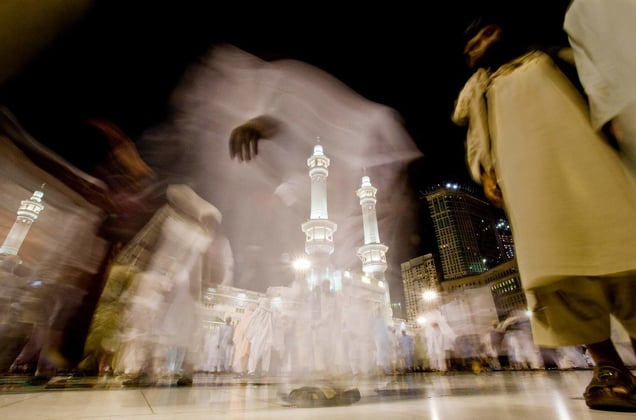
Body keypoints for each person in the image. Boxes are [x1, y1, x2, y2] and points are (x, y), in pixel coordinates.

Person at [452, 8, 636, 411]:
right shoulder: (481, 90)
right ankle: (609, 367)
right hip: (532, 187)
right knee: (558, 274)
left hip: (591, 164)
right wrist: (486, 171)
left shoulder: (551, 60)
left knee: (626, 259)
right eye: (473, 45)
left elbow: (600, 84)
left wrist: (614, 119)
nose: (481, 45)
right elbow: (478, 139)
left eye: (487, 34)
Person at [564, 0, 636, 177]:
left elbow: (593, 81)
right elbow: (593, 80)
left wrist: (609, 116)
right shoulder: (576, 13)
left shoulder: (576, 13)